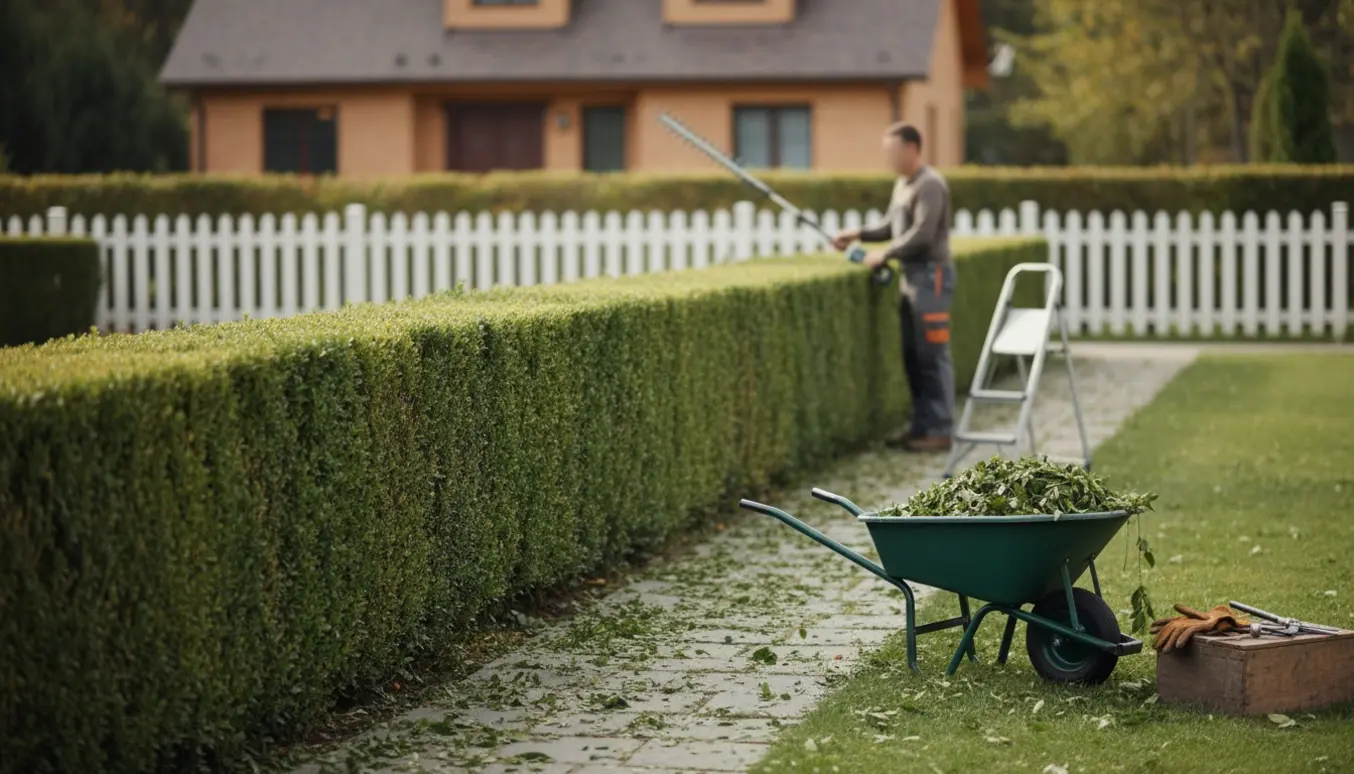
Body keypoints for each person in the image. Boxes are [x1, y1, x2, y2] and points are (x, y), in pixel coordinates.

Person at [832, 122, 955, 453]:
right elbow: (891, 226)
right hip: (910, 278)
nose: (888, 157)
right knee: (912, 356)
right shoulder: (903, 184)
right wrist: (856, 234)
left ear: (912, 148)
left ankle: (941, 431)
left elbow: (922, 234)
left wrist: (883, 254)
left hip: (932, 276)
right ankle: (920, 429)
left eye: (893, 151)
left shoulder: (930, 185)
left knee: (932, 355)